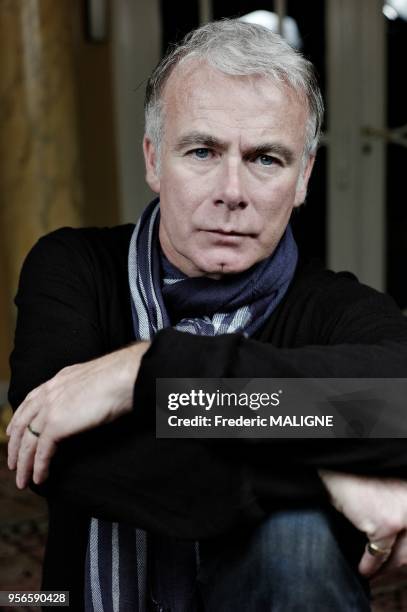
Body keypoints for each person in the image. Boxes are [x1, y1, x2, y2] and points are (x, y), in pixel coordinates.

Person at [6, 18, 407, 612]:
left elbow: (393, 406)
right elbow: (51, 449)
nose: (232, 190)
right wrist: (323, 472)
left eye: (266, 158)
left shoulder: (338, 308)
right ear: (152, 159)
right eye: (202, 150)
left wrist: (143, 373)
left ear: (303, 179)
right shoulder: (74, 268)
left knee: (294, 542)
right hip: (72, 601)